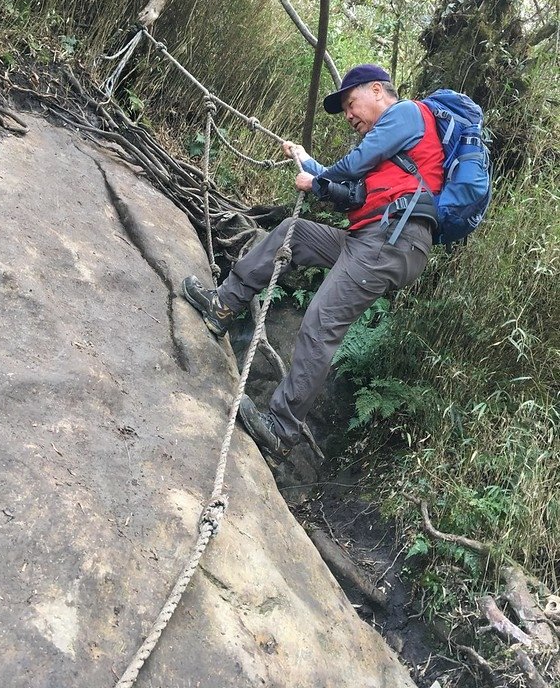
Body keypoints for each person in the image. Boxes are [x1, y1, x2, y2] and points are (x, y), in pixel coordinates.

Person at [182, 64, 444, 462]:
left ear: (378, 90)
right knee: (296, 231)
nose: (350, 115)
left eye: (352, 103)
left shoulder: (406, 113)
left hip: (390, 242)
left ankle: (280, 427)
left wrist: (318, 180)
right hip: (371, 238)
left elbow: (354, 165)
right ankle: (223, 305)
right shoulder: (391, 155)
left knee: (321, 323)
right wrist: (308, 163)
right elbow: (350, 192)